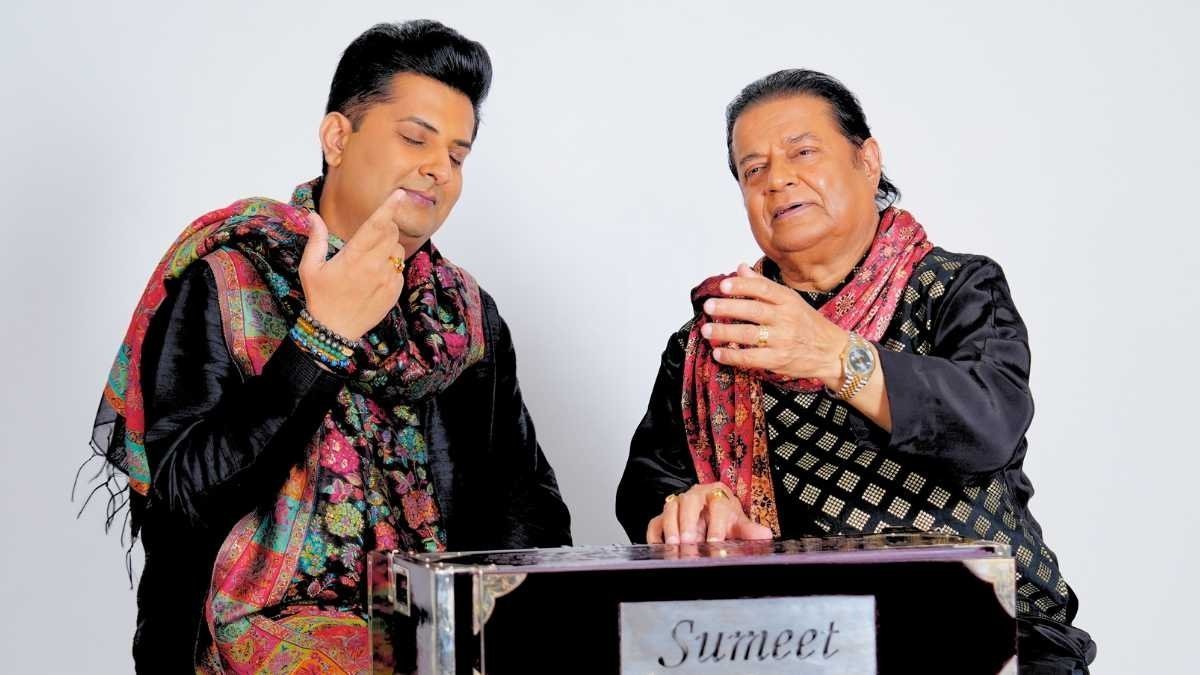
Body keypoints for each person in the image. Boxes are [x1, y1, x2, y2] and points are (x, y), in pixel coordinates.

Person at [86, 20, 570, 673]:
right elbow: (179, 503)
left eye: (457, 156)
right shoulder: (230, 278)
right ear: (337, 137)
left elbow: (528, 506)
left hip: (434, 645)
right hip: (241, 648)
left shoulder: (464, 318)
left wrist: (496, 633)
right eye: (415, 138)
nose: (438, 168)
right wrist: (321, 337)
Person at [615, 69, 1095, 672]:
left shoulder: (954, 288)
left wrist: (834, 355)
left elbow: (989, 425)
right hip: (791, 639)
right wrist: (694, 505)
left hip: (983, 626)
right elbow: (647, 485)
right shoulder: (717, 333)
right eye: (753, 169)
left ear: (867, 161)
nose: (777, 179)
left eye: (802, 152)